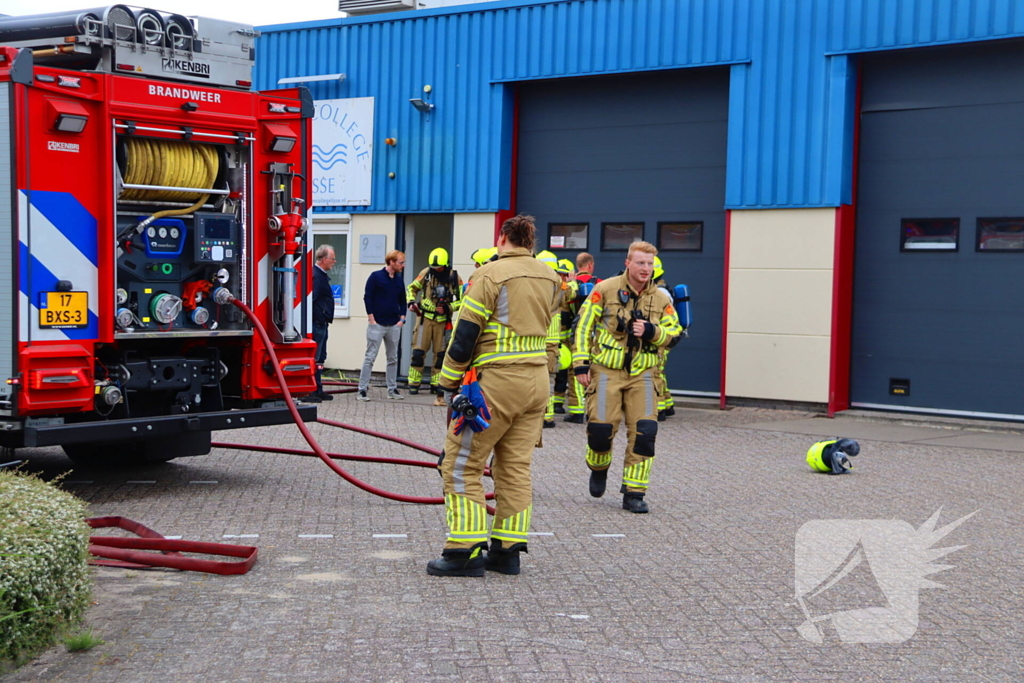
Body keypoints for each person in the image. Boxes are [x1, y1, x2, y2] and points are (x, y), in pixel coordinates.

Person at [427, 214, 562, 577]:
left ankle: (464, 552)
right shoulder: (552, 278)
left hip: (497, 383)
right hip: (537, 384)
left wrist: (448, 382)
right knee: (515, 466)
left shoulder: (489, 274)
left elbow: (466, 333)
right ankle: (507, 552)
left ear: (502, 238)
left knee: (460, 464)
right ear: (530, 242)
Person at [573, 241, 683, 513]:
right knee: (600, 430)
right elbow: (584, 325)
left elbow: (674, 333)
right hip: (606, 371)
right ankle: (599, 468)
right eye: (641, 263)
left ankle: (634, 492)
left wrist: (651, 331)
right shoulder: (605, 289)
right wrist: (581, 364)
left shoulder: (661, 298)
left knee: (645, 433)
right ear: (628, 263)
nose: (646, 269)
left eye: (650, 264)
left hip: (645, 375)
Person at [406, 248, 463, 405]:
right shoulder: (426, 273)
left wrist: (448, 308)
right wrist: (411, 302)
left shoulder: (455, 278)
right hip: (424, 319)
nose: (436, 270)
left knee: (440, 355)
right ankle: (413, 384)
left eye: (438, 268)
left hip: (443, 321)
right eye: (434, 267)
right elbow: (412, 288)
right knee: (418, 352)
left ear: (445, 265)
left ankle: (436, 385)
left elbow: (463, 300)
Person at [357, 250, 408, 401]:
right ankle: (362, 390)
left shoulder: (399, 280)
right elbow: (368, 297)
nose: (403, 265)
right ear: (391, 262)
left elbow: (403, 300)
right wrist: (371, 319)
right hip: (377, 324)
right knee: (370, 357)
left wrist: (402, 319)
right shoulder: (376, 277)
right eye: (400, 262)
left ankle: (392, 389)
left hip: (394, 324)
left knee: (392, 358)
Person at [309, 244, 337, 403]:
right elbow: (312, 300)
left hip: (322, 323)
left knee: (320, 358)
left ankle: (318, 389)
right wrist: (319, 317)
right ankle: (311, 391)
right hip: (317, 323)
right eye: (332, 259)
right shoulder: (317, 277)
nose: (334, 261)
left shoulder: (321, 276)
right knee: (315, 357)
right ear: (324, 259)